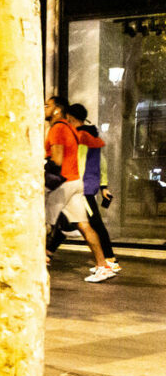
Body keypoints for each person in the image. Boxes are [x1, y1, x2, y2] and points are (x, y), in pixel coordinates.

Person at [43, 97, 115, 283]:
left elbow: (57, 160)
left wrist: (41, 168)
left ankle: (37, 260)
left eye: (47, 106)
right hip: (76, 182)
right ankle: (102, 266)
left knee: (41, 221)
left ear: (58, 110)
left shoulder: (58, 128)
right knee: (84, 225)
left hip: (64, 184)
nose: (44, 108)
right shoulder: (72, 130)